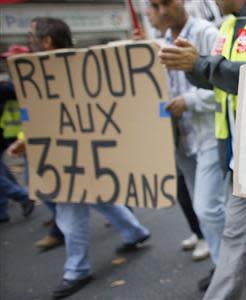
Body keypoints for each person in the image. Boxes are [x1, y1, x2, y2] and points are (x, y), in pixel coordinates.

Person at [8, 17, 151, 299]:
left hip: (73, 156)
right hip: (77, 153)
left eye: (31, 35)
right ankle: (135, 232)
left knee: (70, 210)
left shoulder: (71, 69)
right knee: (97, 194)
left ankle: (77, 270)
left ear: (46, 41)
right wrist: (27, 141)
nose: (29, 40)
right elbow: (47, 117)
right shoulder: (48, 72)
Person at [159, 0, 246, 298]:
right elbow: (215, 78)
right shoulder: (228, 26)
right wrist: (192, 66)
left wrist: (200, 64)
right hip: (238, 158)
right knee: (233, 238)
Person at [152, 0, 227, 263]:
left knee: (207, 209)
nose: (162, 11)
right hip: (180, 138)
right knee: (202, 207)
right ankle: (223, 264)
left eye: (166, 3)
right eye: (154, 5)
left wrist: (189, 101)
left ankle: (229, 261)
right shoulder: (157, 44)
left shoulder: (207, 34)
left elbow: (226, 85)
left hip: (208, 134)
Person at [0, 47, 35, 223]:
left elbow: (28, 112)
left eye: (11, 59)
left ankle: (22, 196)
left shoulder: (20, 84)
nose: (7, 63)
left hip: (27, 136)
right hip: (19, 135)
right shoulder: (14, 84)